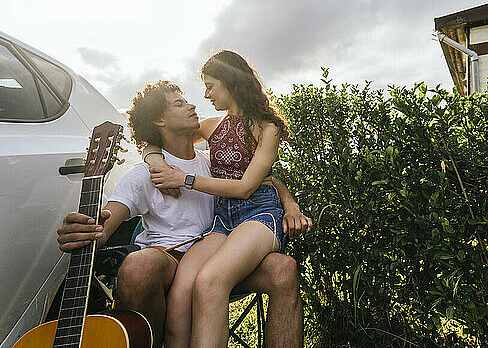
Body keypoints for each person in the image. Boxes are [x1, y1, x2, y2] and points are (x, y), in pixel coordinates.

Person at [57, 80, 310, 348]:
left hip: (220, 252)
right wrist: (88, 230)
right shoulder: (145, 173)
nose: (191, 105)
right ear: (159, 120)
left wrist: (290, 204)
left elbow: (257, 180)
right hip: (170, 258)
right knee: (137, 266)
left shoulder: (211, 162)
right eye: (179, 103)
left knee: (284, 269)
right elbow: (109, 220)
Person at [144, 50, 306, 348]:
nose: (205, 95)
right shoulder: (210, 126)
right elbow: (158, 137)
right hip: (221, 221)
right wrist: (155, 159)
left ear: (230, 82)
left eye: (210, 85)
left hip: (259, 215)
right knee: (182, 291)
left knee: (210, 282)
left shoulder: (268, 128)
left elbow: (247, 186)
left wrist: (185, 180)